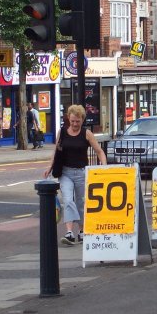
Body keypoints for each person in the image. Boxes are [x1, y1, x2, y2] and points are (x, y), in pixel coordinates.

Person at [44, 105, 107, 245]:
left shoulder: (87, 134)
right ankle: (69, 232)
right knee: (68, 200)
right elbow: (56, 151)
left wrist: (103, 166)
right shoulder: (62, 132)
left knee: (81, 203)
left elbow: (99, 151)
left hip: (81, 172)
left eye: (77, 121)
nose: (74, 124)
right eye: (72, 121)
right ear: (68, 118)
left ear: (82, 120)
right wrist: (50, 166)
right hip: (65, 172)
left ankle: (82, 231)